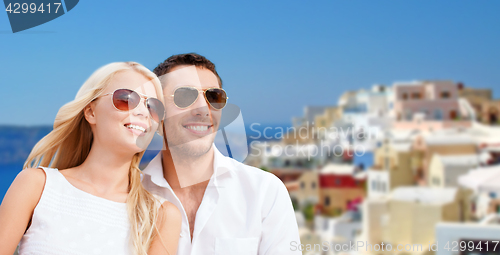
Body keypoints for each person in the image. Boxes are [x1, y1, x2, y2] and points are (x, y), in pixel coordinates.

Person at [0, 62, 181, 255]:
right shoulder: (36, 186)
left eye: (153, 107)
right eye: (126, 98)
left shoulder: (161, 216)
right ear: (91, 112)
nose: (143, 112)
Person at [142, 53, 301, 254]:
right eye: (184, 96)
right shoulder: (129, 198)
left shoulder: (265, 193)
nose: (203, 109)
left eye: (213, 97)